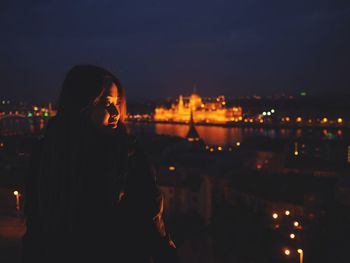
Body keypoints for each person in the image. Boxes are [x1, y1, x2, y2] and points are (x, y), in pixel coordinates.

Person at [22, 65, 177, 263]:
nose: (115, 112)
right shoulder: (47, 154)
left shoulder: (128, 154)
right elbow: (36, 226)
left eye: (116, 103)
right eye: (105, 102)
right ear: (81, 105)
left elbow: (151, 221)